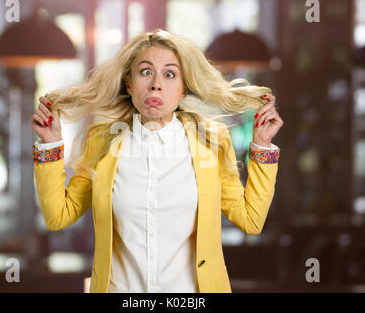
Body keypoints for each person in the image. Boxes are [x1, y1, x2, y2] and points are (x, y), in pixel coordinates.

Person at [30, 29, 283, 293]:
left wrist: (262, 145)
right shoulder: (102, 142)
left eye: (170, 74)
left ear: (184, 88)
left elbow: (251, 220)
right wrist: (50, 143)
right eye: (145, 72)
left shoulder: (212, 143)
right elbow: (58, 216)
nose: (156, 84)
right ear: (129, 83)